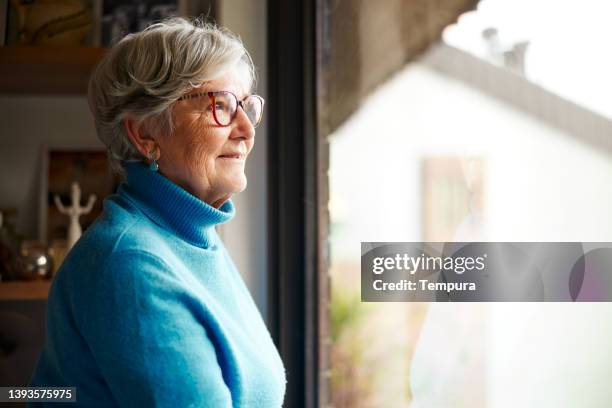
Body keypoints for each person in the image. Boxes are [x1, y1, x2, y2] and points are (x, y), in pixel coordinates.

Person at [29, 17, 286, 407]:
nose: (246, 130)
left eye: (247, 106)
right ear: (145, 132)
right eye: (220, 105)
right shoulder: (129, 263)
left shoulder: (191, 240)